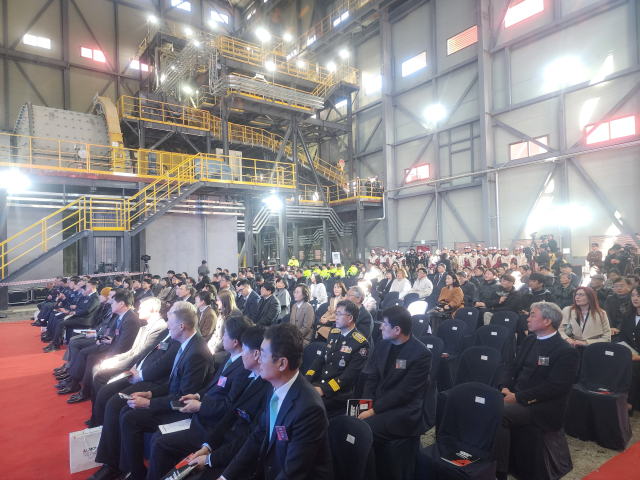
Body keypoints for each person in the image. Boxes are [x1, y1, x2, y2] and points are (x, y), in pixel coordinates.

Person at [89, 304, 213, 480]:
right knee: (126, 412)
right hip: (173, 400)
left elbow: (183, 400)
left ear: (181, 326)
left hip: (183, 411)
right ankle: (130, 470)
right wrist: (151, 394)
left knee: (130, 418)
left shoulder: (196, 353)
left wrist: (149, 403)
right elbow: (172, 384)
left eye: (170, 322)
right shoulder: (187, 345)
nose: (168, 325)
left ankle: (136, 474)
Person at [196, 323, 334, 480]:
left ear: (282, 363)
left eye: (262, 354)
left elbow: (292, 472)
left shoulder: (309, 409)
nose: (258, 359)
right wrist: (225, 477)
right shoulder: (275, 387)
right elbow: (258, 436)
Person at [154, 326, 271, 479]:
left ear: (256, 354)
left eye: (244, 350)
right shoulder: (249, 376)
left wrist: (210, 458)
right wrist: (208, 447)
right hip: (219, 439)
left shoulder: (265, 385)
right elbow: (230, 414)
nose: (241, 354)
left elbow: (250, 436)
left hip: (233, 451)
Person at [495, 302, 580, 480]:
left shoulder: (566, 351)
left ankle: (500, 470)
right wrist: (505, 386)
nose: (528, 319)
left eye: (533, 315)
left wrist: (517, 397)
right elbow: (514, 366)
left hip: (541, 406)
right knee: (482, 400)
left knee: (499, 413)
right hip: (516, 393)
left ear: (548, 321)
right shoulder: (530, 339)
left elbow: (554, 387)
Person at [359, 305, 432, 459]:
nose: (381, 327)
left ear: (397, 330)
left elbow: (404, 393)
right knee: (347, 424)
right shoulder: (383, 343)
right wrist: (366, 403)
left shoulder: (421, 354)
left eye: (385, 324)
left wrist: (373, 410)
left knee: (361, 431)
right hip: (379, 403)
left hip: (402, 411)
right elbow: (373, 377)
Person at [305, 300, 370, 419]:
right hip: (322, 384)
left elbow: (348, 377)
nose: (336, 317)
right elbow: (320, 360)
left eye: (339, 314)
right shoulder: (334, 333)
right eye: (336, 314)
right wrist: (306, 380)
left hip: (338, 394)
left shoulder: (360, 344)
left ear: (350, 318)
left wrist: (324, 389)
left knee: (307, 406)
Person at [43, 279, 101, 353]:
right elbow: (81, 307)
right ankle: (54, 342)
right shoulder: (89, 296)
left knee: (62, 323)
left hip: (85, 320)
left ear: (93, 287)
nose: (86, 288)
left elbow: (87, 310)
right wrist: (73, 312)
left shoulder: (95, 298)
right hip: (80, 317)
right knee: (60, 321)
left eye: (87, 286)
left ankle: (56, 345)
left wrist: (75, 313)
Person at [618, 286, 640, 414]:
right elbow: (622, 337)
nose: (635, 298)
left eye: (638, 295)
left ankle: (629, 403)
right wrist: (627, 353)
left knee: (633, 367)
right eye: (633, 295)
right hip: (630, 354)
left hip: (637, 358)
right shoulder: (627, 315)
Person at [518, 272, 557, 337]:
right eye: (530, 281)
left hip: (542, 320)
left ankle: (530, 337)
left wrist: (532, 313)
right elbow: (520, 307)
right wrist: (527, 312)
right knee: (523, 317)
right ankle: (528, 337)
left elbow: (552, 312)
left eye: (534, 281)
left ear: (541, 283)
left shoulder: (548, 296)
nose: (531, 283)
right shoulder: (526, 295)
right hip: (527, 318)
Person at [605, 277, 632, 341]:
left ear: (630, 287)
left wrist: (618, 329)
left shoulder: (633, 299)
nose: (618, 288)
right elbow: (606, 314)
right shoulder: (610, 298)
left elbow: (630, 316)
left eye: (621, 286)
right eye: (616, 286)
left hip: (627, 329)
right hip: (610, 330)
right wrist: (611, 328)